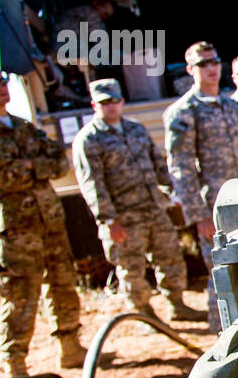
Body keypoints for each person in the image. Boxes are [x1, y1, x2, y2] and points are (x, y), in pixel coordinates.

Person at [0, 68, 86, 377]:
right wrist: (35, 166)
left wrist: (30, 165)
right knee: (20, 297)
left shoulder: (24, 126)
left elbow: (60, 161)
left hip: (50, 223)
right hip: (17, 230)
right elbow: (5, 176)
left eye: (3, 81)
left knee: (63, 286)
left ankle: (70, 348)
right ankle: (15, 363)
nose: (1, 88)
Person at [72, 79, 202, 322]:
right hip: (123, 216)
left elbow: (156, 163)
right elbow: (92, 184)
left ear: (121, 102)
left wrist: (172, 194)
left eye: (114, 101)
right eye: (104, 103)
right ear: (94, 105)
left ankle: (177, 305)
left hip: (153, 208)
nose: (110, 106)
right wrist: (109, 220)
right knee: (131, 269)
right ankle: (143, 314)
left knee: (170, 257)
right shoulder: (89, 139)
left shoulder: (136, 129)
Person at [163, 42, 238, 330]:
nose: (211, 68)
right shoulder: (183, 112)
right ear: (191, 70)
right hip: (214, 210)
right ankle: (224, 338)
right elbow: (180, 168)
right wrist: (199, 215)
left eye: (215, 61)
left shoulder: (232, 106)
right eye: (203, 64)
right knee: (222, 273)